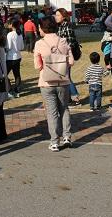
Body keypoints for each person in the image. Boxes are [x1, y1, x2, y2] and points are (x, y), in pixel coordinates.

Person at [34, 17, 74, 151]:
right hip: (63, 80)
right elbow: (71, 61)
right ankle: (67, 137)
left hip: (46, 82)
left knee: (51, 113)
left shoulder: (39, 44)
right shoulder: (63, 41)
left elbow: (37, 66)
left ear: (43, 28)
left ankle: (54, 142)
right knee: (64, 109)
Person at [5, 20, 24, 98]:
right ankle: (17, 90)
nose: (8, 25)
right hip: (18, 56)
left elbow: (8, 47)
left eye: (9, 23)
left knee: (4, 74)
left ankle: (9, 91)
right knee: (17, 74)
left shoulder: (10, 34)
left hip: (10, 57)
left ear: (12, 25)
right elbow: (22, 47)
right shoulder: (19, 34)